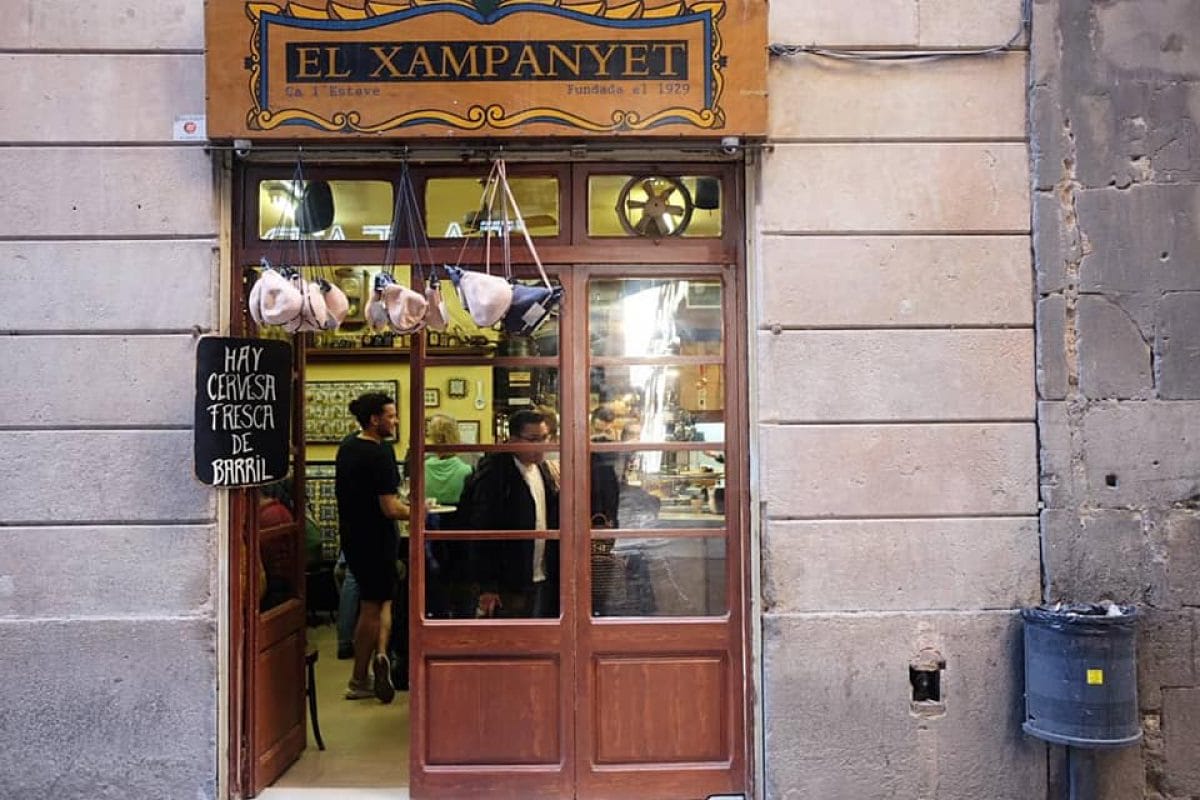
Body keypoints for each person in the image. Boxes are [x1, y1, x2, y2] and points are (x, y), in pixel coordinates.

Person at [335, 391, 410, 703]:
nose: (395, 420)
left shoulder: (348, 446)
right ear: (375, 419)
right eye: (391, 416)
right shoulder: (381, 453)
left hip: (352, 536)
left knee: (382, 600)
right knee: (373, 605)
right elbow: (390, 508)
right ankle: (359, 676)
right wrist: (420, 510)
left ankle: (380, 656)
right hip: (377, 538)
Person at [466, 409, 560, 618]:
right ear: (513, 440)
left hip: (540, 572)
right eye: (534, 439)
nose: (542, 445)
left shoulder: (542, 469)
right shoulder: (494, 474)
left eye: (545, 437)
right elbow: (482, 530)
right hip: (508, 580)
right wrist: (487, 586)